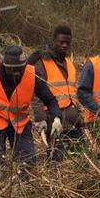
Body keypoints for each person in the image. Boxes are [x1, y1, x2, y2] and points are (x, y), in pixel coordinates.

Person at [0, 46, 62, 178]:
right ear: (4, 65)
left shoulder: (33, 74)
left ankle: (23, 192)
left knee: (27, 161)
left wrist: (57, 117)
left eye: (19, 69)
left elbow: (50, 99)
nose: (16, 73)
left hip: (19, 122)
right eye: (12, 70)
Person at [29, 25, 82, 160]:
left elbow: (73, 91)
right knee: (57, 160)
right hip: (53, 119)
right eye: (61, 42)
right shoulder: (42, 63)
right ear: (53, 40)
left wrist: (79, 114)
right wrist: (40, 118)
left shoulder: (70, 64)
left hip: (72, 120)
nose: (64, 45)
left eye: (67, 43)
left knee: (79, 158)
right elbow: (35, 94)